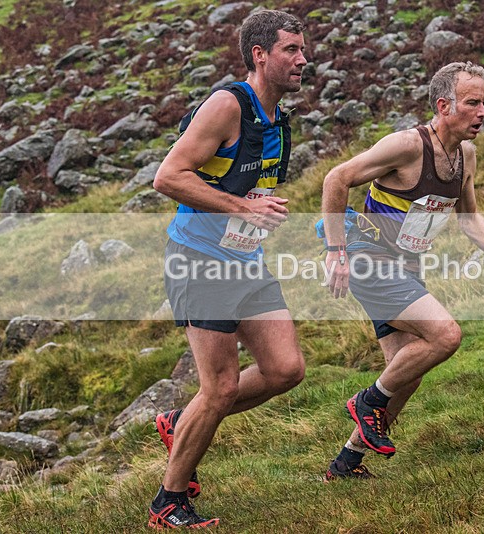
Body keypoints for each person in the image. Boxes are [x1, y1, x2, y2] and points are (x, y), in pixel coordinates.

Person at [321, 61, 484, 480]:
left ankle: (346, 464)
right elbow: (336, 178)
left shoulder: (466, 156)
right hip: (369, 258)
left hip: (406, 268)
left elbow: (469, 218)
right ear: (444, 105)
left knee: (407, 372)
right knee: (445, 335)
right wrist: (335, 250)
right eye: (473, 103)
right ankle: (367, 401)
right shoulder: (406, 146)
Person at [148, 10, 307, 528]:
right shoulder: (226, 104)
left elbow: (247, 187)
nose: (303, 59)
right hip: (199, 261)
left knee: (286, 369)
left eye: (303, 50)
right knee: (218, 389)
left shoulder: (277, 118)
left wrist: (260, 211)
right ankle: (168, 502)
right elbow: (168, 177)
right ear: (260, 55)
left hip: (246, 260)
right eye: (291, 50)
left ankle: (183, 422)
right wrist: (245, 211)